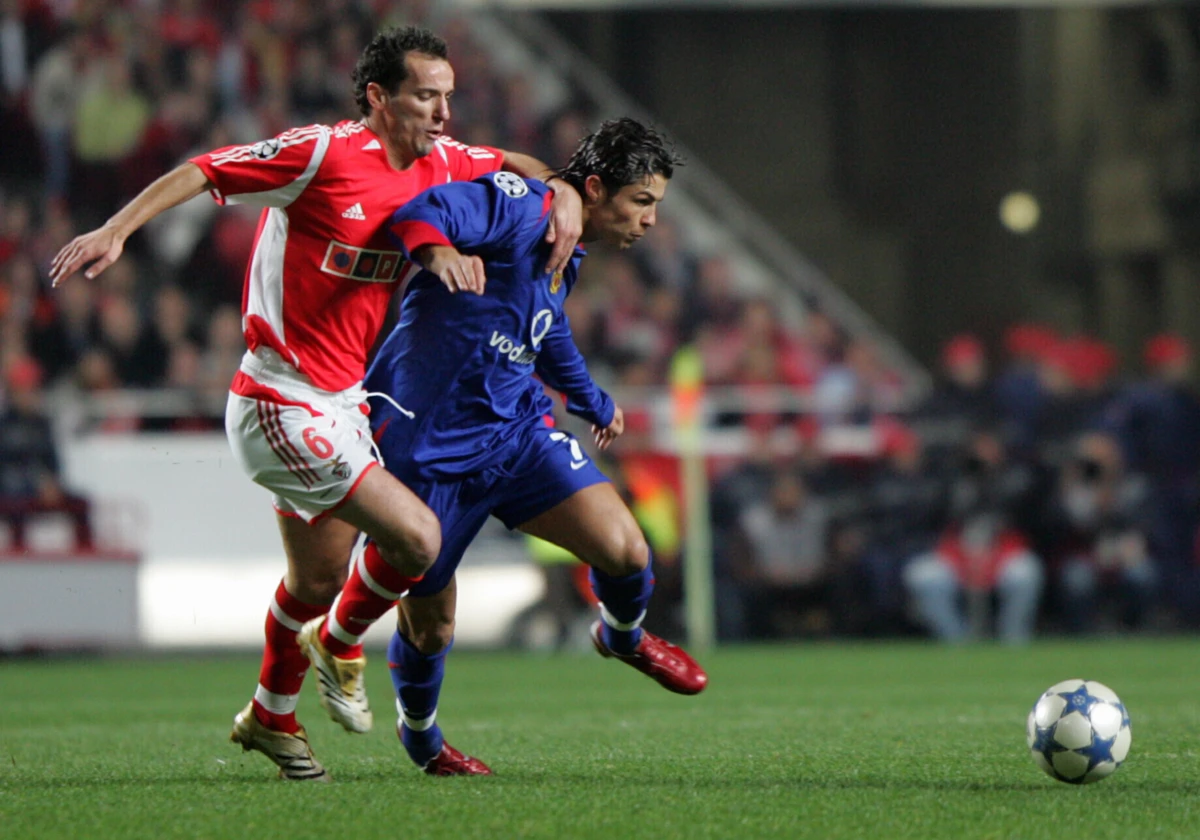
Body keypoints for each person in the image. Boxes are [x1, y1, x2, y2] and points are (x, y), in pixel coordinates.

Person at [48, 26, 583, 782]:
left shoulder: (445, 164)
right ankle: (338, 645)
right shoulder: (322, 155)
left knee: (316, 579)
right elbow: (203, 170)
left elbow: (515, 167)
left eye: (448, 96)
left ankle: (270, 714)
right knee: (419, 541)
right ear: (377, 97)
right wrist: (117, 229)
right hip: (278, 396)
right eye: (425, 96)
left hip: (340, 403)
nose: (441, 112)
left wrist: (559, 189)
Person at [298, 117, 707, 776]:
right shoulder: (522, 207)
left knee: (628, 551)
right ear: (596, 189)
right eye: (643, 202)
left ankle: (621, 636)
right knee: (431, 627)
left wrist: (589, 398)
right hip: (426, 449)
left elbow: (541, 329)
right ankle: (423, 738)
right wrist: (438, 254)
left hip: (515, 435)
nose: (652, 220)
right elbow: (420, 211)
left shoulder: (565, 247)